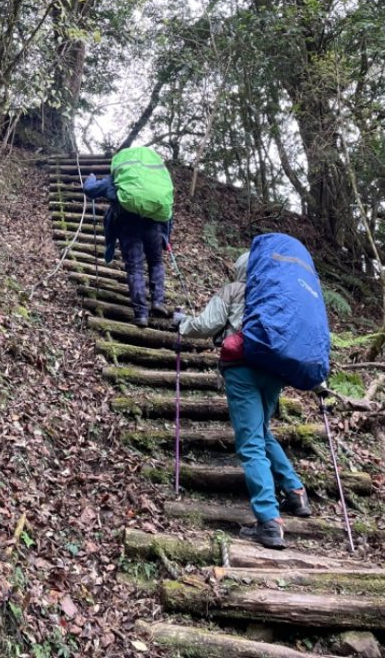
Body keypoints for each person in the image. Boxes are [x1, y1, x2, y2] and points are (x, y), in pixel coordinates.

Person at [172, 251, 311, 549]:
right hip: (274, 371)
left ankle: (269, 521)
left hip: (242, 370)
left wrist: (183, 324)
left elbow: (207, 324)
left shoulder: (234, 290)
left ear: (240, 269)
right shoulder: (279, 294)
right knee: (262, 432)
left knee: (250, 443)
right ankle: (296, 492)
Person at [82, 172, 170, 328]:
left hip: (128, 224)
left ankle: (141, 314)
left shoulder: (119, 178)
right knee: (156, 262)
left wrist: (91, 178)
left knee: (135, 268)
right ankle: (158, 301)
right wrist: (166, 235)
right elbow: (167, 206)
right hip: (154, 225)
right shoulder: (154, 180)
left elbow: (90, 190)